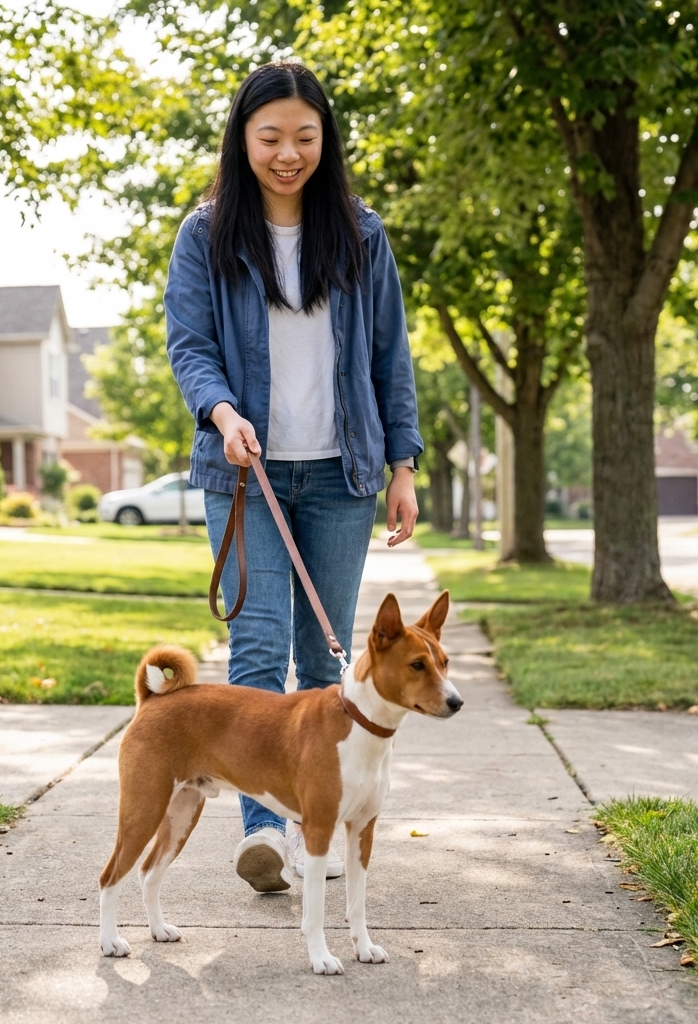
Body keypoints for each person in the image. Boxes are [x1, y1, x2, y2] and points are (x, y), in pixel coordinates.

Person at [164, 61, 423, 893]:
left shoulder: (361, 233)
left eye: (304, 138)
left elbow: (391, 357)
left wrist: (403, 465)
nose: (287, 154)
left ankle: (322, 816)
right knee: (259, 640)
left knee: (324, 653)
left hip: (343, 474)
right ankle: (262, 826)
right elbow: (191, 346)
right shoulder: (205, 234)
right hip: (245, 474)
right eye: (270, 137)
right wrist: (222, 412)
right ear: (243, 139)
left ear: (325, 141)